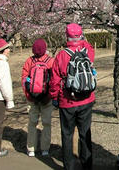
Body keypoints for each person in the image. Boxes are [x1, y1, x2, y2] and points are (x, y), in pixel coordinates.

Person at [49, 23, 95, 170]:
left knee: (67, 135)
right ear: (81, 35)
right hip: (87, 99)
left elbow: (54, 80)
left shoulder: (61, 55)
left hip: (67, 101)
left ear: (66, 35)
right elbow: (89, 46)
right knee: (85, 133)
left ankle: (69, 166)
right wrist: (82, 39)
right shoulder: (88, 51)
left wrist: (54, 97)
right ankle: (87, 164)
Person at [21, 39, 54, 157]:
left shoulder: (29, 61)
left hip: (32, 98)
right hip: (46, 99)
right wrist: (49, 96)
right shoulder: (50, 61)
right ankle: (45, 148)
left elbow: (24, 79)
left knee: (32, 123)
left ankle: (31, 149)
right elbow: (54, 81)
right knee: (46, 124)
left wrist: (29, 95)